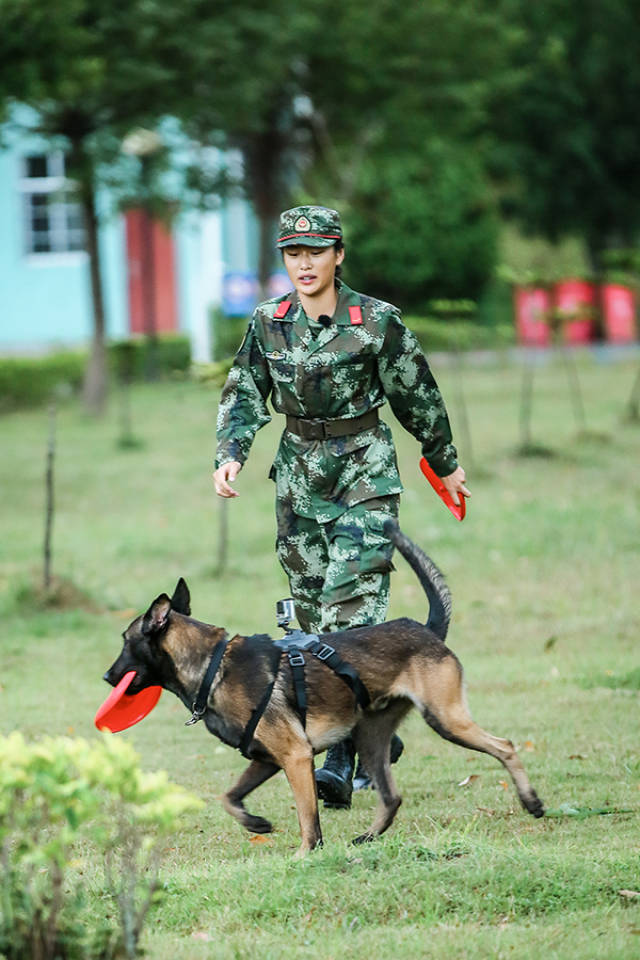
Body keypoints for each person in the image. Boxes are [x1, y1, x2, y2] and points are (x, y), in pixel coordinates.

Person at [213, 205, 469, 808]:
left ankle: (343, 761)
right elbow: (244, 390)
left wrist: (445, 458)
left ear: (338, 255)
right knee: (305, 622)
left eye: (317, 251)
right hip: (298, 479)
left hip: (365, 474)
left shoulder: (377, 322)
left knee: (346, 612)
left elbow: (417, 392)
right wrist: (231, 452)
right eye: (293, 253)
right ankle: (367, 728)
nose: (305, 263)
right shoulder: (268, 321)